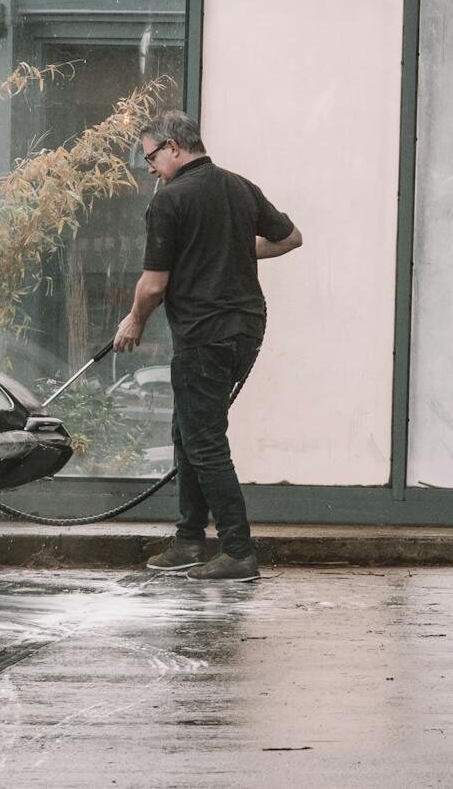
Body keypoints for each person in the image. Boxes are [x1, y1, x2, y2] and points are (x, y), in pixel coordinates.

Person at [112, 110, 302, 582]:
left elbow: (154, 285)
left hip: (205, 334)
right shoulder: (239, 186)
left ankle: (237, 551)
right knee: (189, 431)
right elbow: (290, 238)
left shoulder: (169, 201)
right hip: (246, 330)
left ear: (174, 148)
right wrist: (230, 245)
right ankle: (190, 540)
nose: (150, 168)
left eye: (151, 157)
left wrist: (134, 320)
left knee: (203, 440)